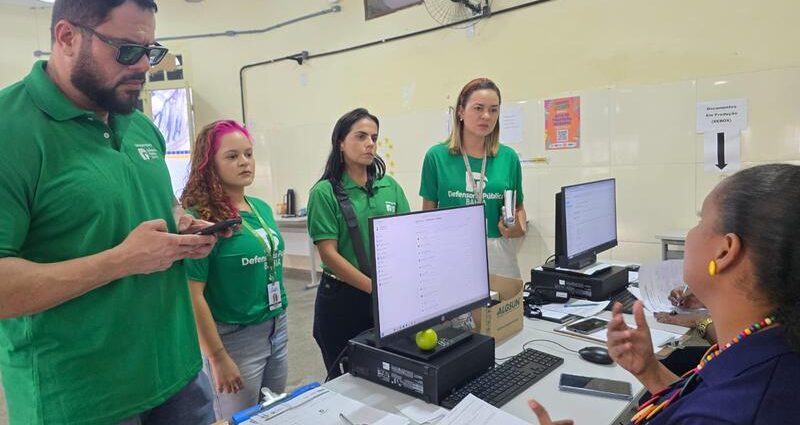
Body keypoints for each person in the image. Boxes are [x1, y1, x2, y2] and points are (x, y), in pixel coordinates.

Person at [0, 1, 223, 424]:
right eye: (126, 50)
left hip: (178, 376)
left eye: (150, 51)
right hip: (81, 400)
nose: (144, 65)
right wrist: (122, 261)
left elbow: (162, 203)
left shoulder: (139, 124)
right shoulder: (9, 131)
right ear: (67, 37)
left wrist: (181, 224)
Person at [529, 164, 800, 424]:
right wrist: (651, 370)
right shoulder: (773, 349)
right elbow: (697, 400)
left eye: (700, 221)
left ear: (725, 251)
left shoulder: (726, 414)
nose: (692, 232)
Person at [181, 120, 289, 419]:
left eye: (248, 154)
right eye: (232, 156)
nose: (244, 162)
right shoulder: (200, 220)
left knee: (275, 413)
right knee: (239, 419)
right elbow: (192, 295)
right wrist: (217, 358)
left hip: (276, 327)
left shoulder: (260, 208)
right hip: (234, 339)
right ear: (210, 164)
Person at [308, 108, 410, 377]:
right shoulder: (324, 192)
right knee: (347, 378)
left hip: (386, 293)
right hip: (343, 299)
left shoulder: (389, 187)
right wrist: (374, 288)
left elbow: (405, 238)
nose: (370, 144)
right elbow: (329, 255)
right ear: (340, 143)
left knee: (388, 373)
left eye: (374, 138)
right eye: (361, 136)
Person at [419, 78, 527, 280]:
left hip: (498, 254)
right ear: (461, 111)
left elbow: (519, 209)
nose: (486, 116)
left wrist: (514, 229)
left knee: (504, 301)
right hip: (451, 253)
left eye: (493, 110)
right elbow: (427, 218)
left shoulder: (508, 157)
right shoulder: (436, 157)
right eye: (478, 108)